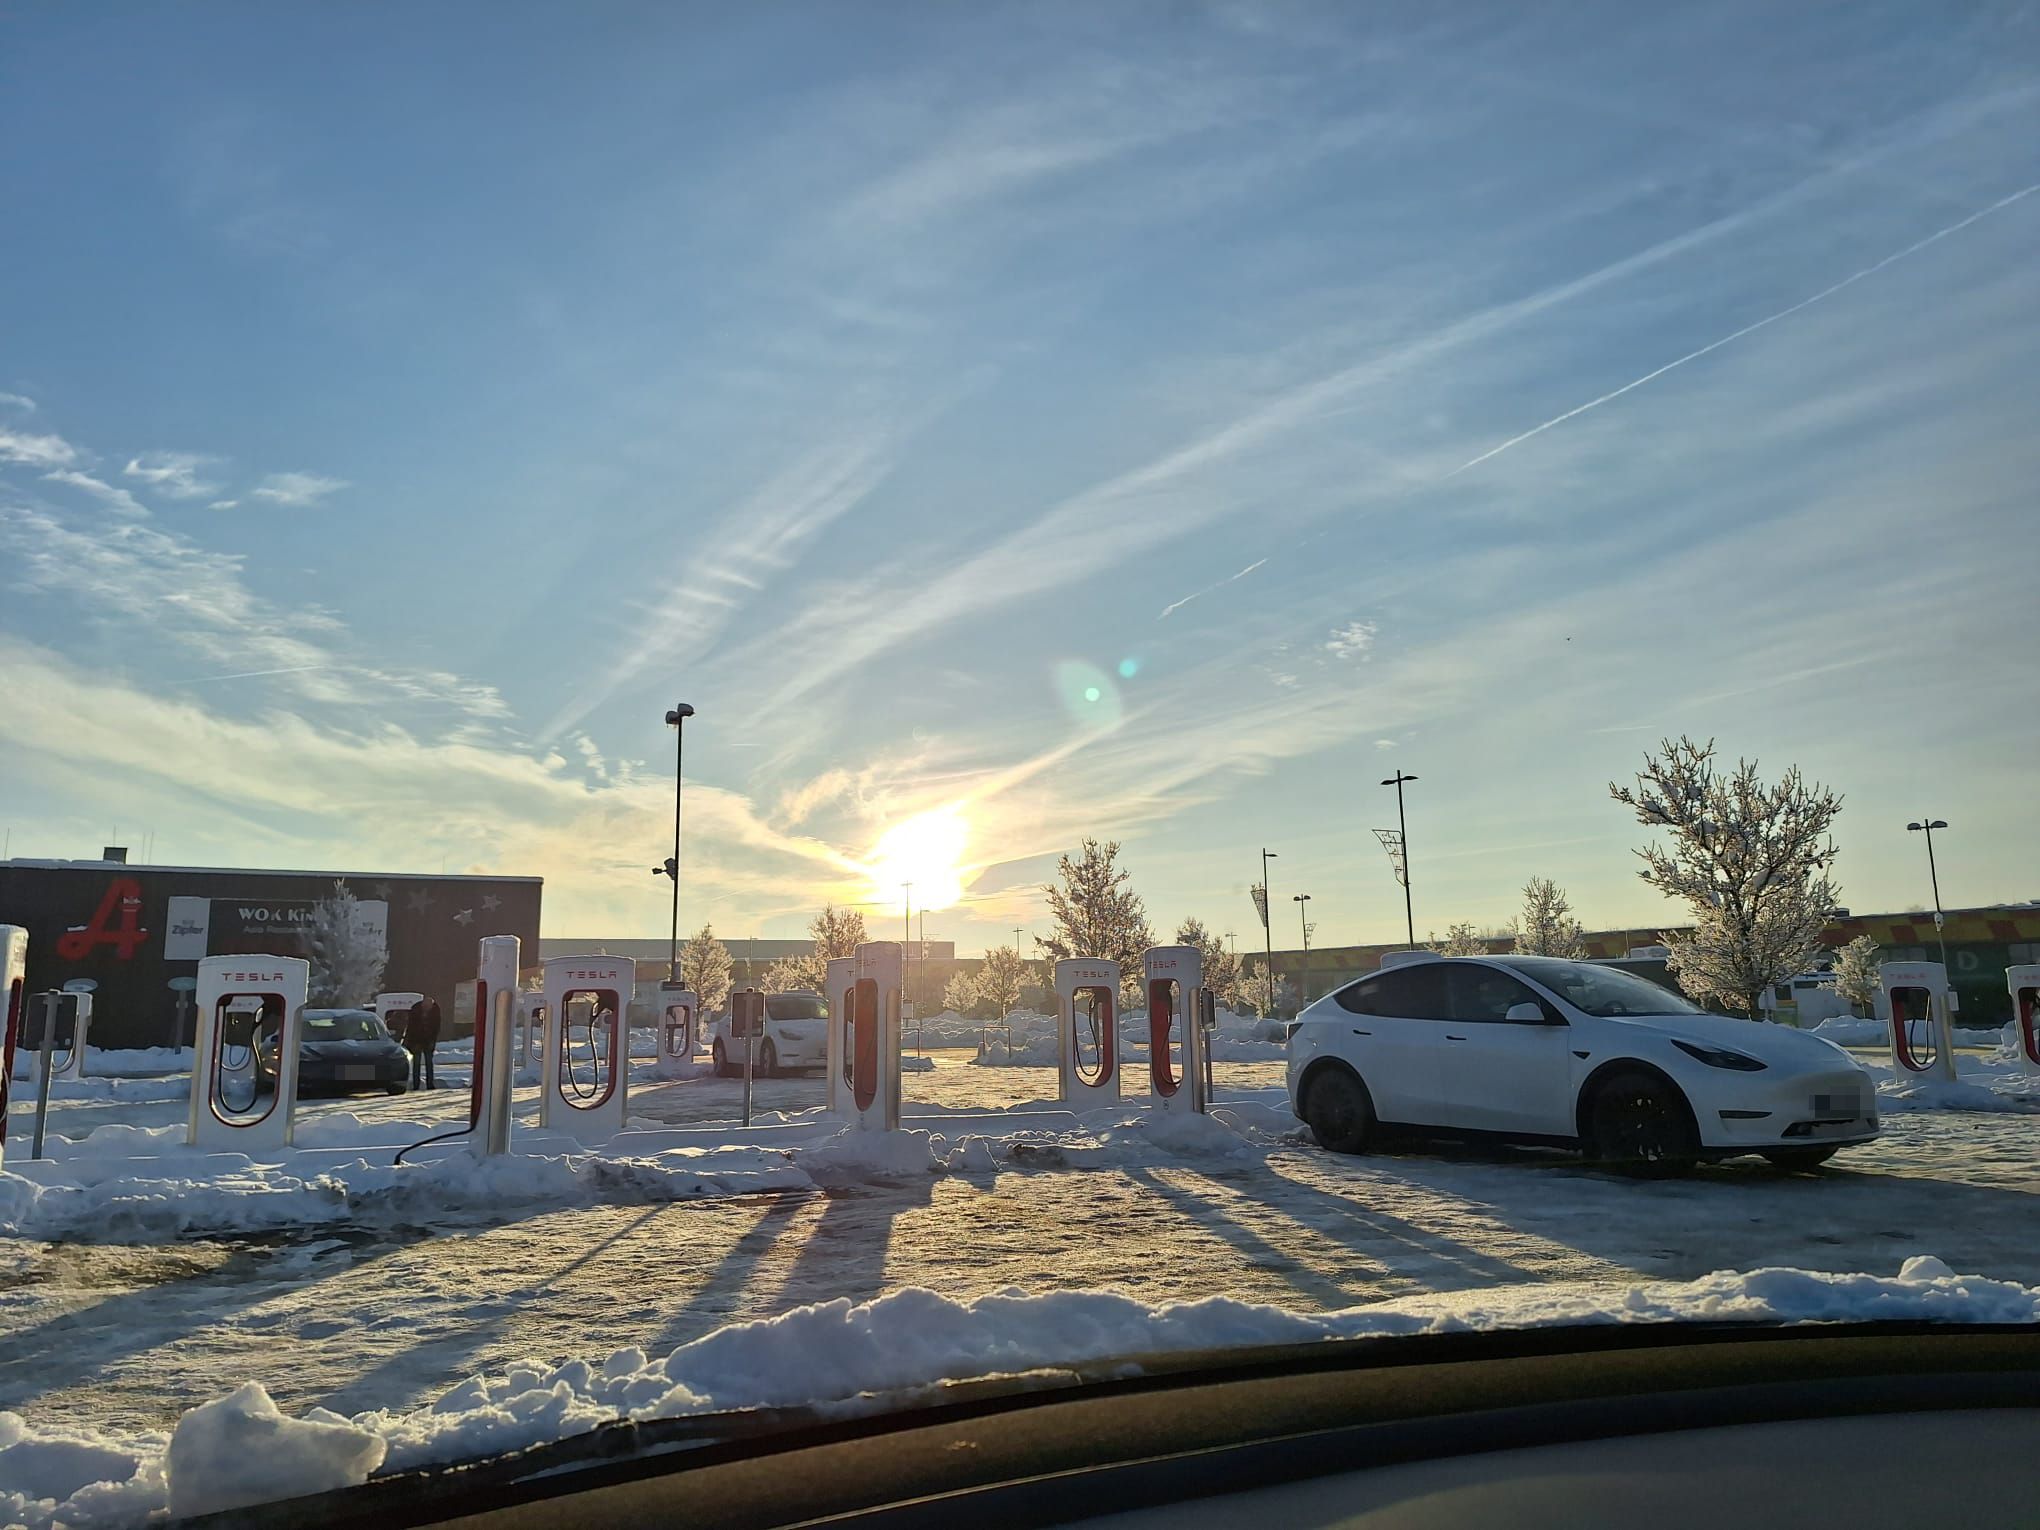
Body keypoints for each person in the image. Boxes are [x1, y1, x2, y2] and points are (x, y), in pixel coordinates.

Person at [405, 995, 442, 1089]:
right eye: (426, 1006)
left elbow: (436, 1028)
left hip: (428, 1040)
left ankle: (430, 1084)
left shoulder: (435, 1011)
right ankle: (416, 1084)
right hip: (416, 1040)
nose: (427, 1008)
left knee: (429, 1063)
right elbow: (411, 1028)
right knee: (416, 1064)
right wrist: (411, 1042)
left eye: (429, 1007)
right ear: (422, 1004)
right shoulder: (415, 1011)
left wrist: (432, 1041)